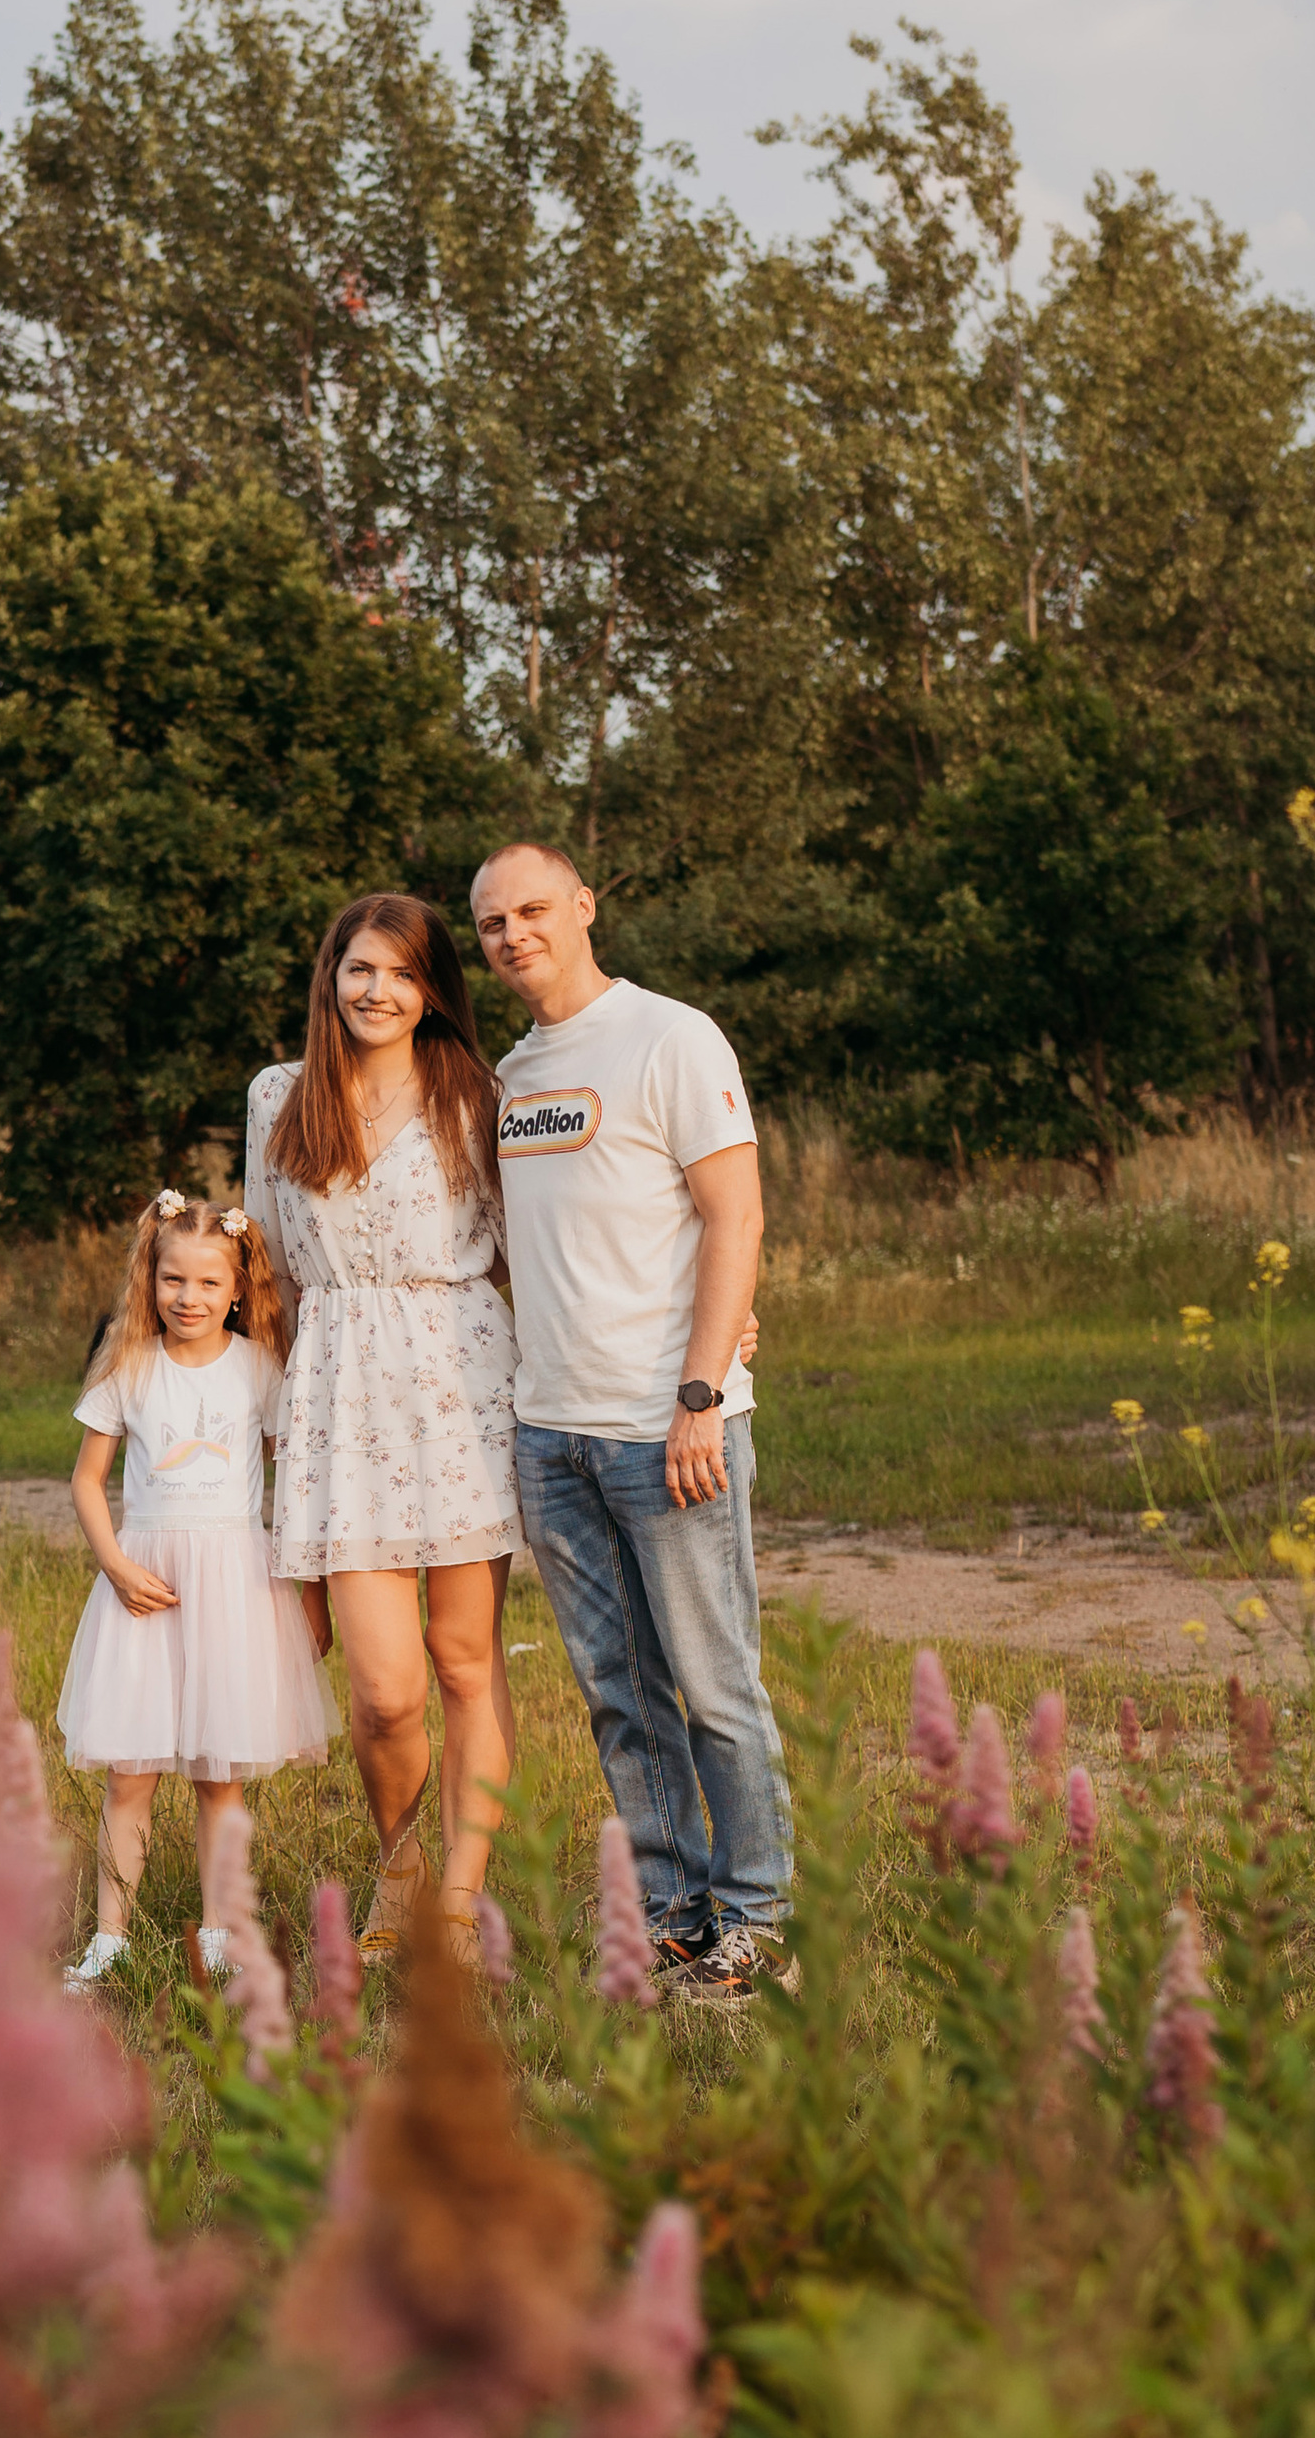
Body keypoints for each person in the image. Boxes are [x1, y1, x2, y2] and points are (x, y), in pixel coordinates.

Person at [470, 839, 793, 1991]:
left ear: (584, 906)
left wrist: (703, 1390)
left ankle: (757, 1919)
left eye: (534, 909)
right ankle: (672, 1914)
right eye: (493, 923)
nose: (514, 935)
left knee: (712, 1682)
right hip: (550, 1435)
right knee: (620, 1692)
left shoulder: (671, 1035)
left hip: (668, 1427)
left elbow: (735, 1218)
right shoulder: (510, 1075)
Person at [245, 894, 519, 1963]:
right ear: (330, 977)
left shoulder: (475, 1095)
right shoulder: (280, 1094)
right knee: (384, 1691)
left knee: (463, 1661)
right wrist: (256, 1425)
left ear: (432, 990)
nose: (378, 992)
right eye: (360, 970)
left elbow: (521, 1255)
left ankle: (454, 1897)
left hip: (460, 1386)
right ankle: (396, 1865)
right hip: (334, 1394)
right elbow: (262, 1273)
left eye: (402, 975)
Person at [57, 1190, 334, 1985]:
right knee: (130, 1772)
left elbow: (296, 1479)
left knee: (219, 1775)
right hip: (143, 1583)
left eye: (209, 1284)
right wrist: (113, 1562)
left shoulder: (259, 1370)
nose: (189, 1298)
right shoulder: (128, 1366)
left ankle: (219, 1936)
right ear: (152, 1280)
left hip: (233, 1586)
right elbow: (86, 1482)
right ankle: (111, 1940)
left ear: (239, 1289)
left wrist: (305, 1587)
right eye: (173, 1281)